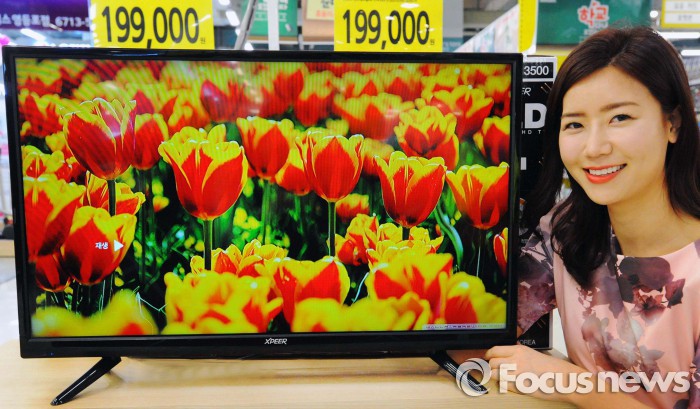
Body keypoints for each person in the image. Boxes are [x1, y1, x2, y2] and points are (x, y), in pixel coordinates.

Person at [482, 26, 700, 408]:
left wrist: (570, 382)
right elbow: (483, 329)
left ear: (673, 123)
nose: (594, 147)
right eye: (575, 124)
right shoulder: (566, 232)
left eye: (620, 118)